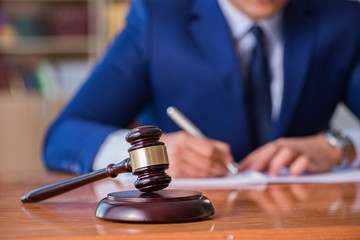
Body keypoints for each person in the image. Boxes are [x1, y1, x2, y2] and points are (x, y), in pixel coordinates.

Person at [43, 0, 360, 178]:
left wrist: (339, 147)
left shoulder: (343, 18)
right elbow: (63, 136)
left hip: (306, 222)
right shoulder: (157, 17)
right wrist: (144, 156)